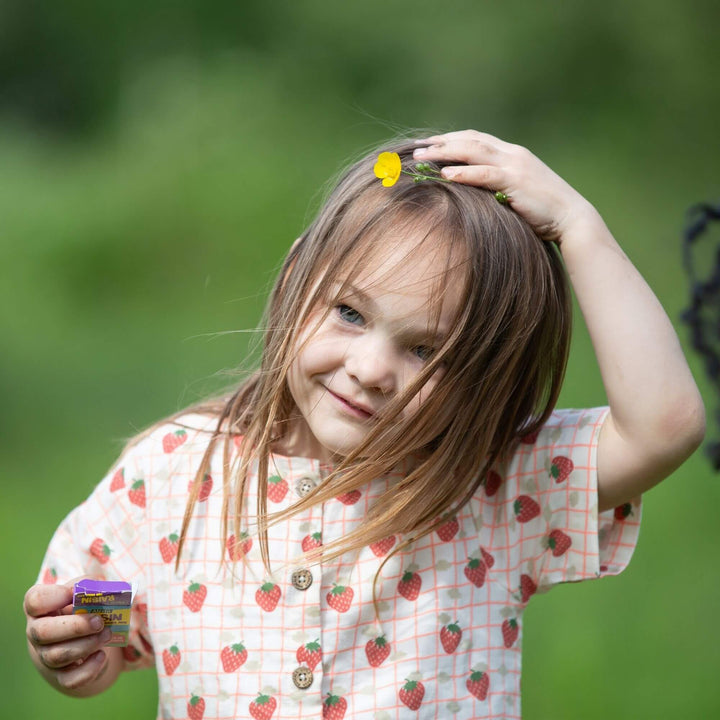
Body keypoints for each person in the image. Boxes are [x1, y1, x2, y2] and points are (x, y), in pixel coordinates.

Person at [24, 130, 705, 719]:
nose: (372, 369)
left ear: (484, 377)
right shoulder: (173, 471)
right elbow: (96, 606)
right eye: (351, 313)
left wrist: (580, 226)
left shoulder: (489, 484)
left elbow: (664, 424)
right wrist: (83, 647)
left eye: (426, 350)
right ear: (295, 279)